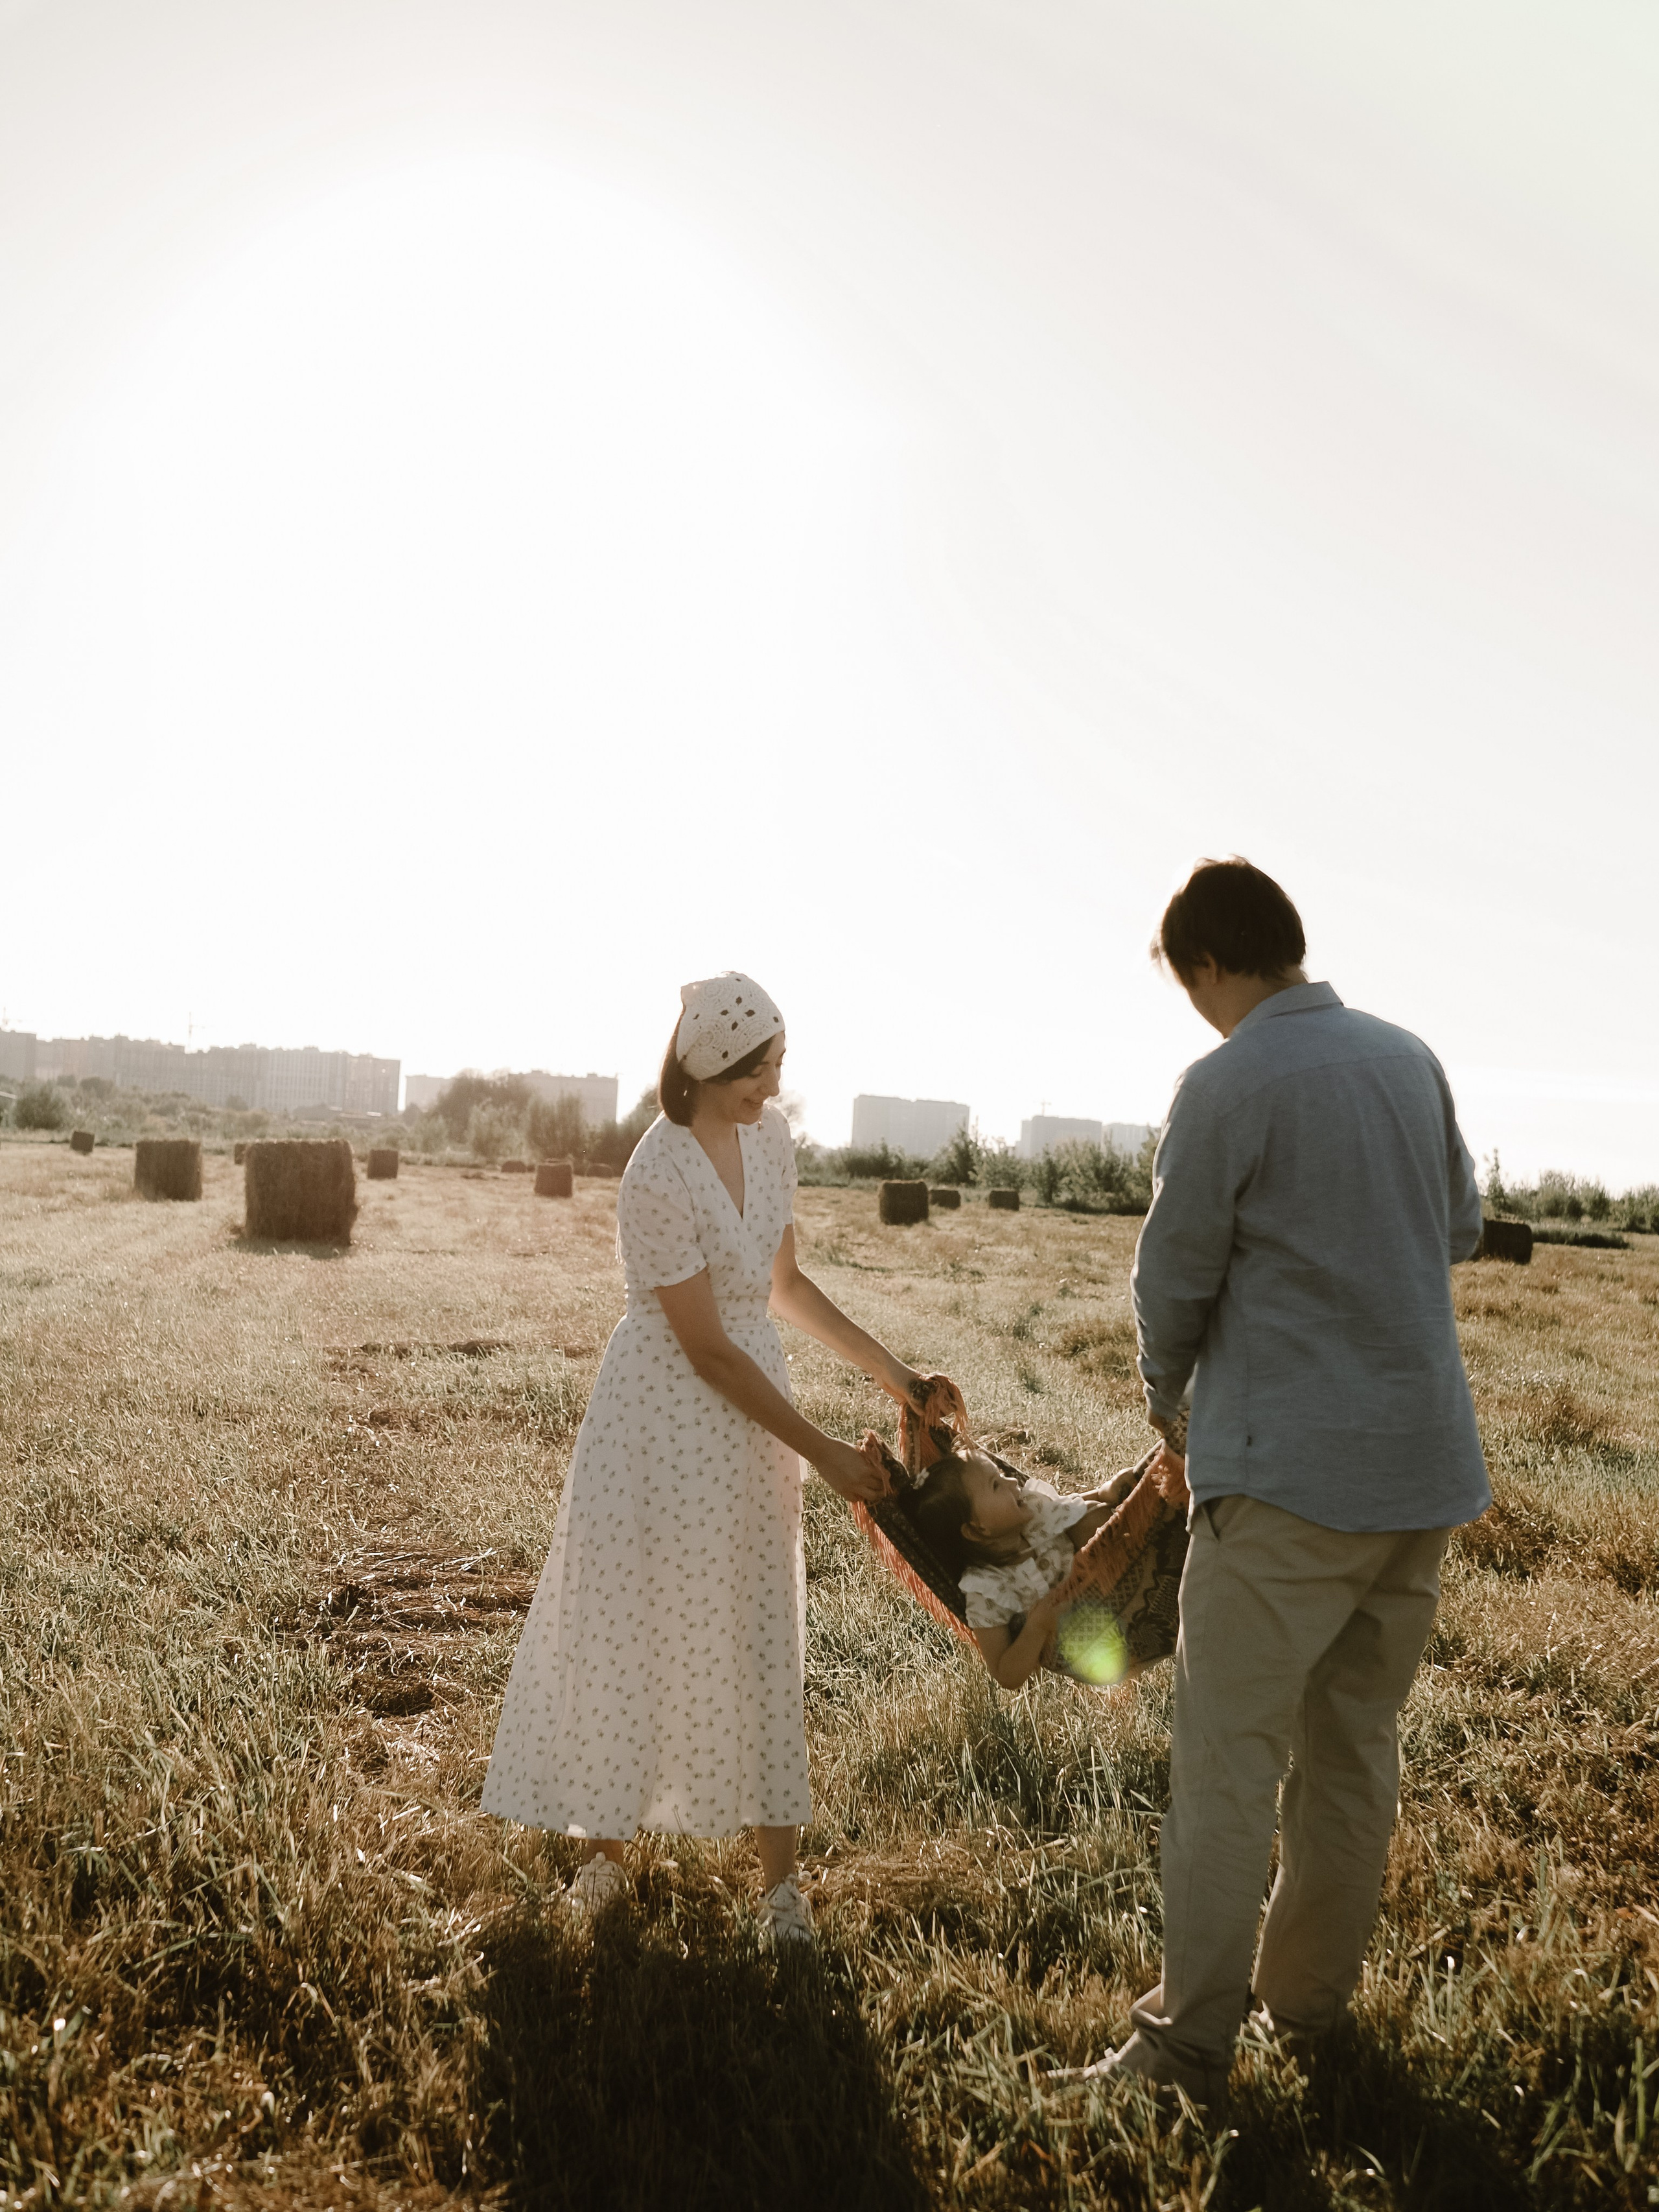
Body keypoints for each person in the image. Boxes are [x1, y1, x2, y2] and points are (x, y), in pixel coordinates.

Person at [1091, 858, 1490, 2107]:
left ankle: (1185, 2045)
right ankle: (1308, 2005)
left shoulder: (1227, 1078)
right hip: (1421, 1472)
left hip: (1288, 1485)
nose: (1197, 1011)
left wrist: (1168, 1398)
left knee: (1227, 1762)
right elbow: (1463, 1229)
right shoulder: (1411, 1057)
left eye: (1190, 985)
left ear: (1210, 963)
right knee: (1353, 1749)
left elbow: (1173, 1277)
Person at [481, 972, 917, 1945]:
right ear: (711, 1065)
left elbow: (785, 1286)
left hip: (751, 1410)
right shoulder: (656, 1173)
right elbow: (706, 1347)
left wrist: (895, 1374)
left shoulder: (770, 1142)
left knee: (760, 1627)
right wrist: (825, 1454)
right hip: (661, 1418)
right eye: (761, 1068)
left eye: (778, 1065)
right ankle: (603, 1859)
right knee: (638, 1624)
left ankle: (779, 1890)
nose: (775, 1083)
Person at [899, 1446, 1138, 1689]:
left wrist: (1103, 1492)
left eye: (1002, 1475)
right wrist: (1039, 1624)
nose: (1013, 1481)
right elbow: (1006, 1675)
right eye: (996, 1485)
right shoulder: (987, 1589)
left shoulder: (1035, 1514)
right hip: (1078, 1635)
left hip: (1110, 1587)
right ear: (977, 1529)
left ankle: (1151, 1549)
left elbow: (1069, 1506)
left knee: (1095, 1517)